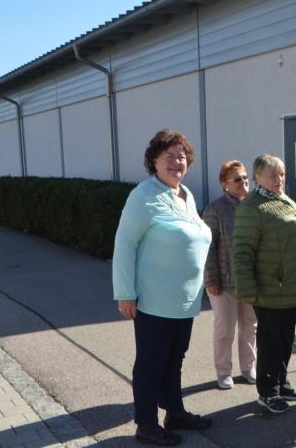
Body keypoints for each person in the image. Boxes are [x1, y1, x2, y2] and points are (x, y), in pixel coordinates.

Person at [112, 129, 212, 446]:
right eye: (168, 156)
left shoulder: (185, 195)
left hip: (184, 300)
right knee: (151, 363)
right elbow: (125, 245)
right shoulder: (143, 196)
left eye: (181, 157)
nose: (176, 162)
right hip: (154, 300)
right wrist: (124, 293)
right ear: (154, 161)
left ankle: (175, 412)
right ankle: (145, 424)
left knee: (175, 360)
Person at [232, 154, 296, 414]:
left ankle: (281, 382)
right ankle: (267, 393)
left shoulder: (281, 199)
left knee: (285, 339)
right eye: (272, 175)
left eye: (281, 174)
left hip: (288, 288)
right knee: (271, 342)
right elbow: (242, 250)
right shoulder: (252, 207)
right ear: (257, 178)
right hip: (269, 290)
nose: (278, 179)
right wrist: (247, 288)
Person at [202, 160, 258, 390]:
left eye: (246, 178)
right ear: (225, 184)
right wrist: (212, 280)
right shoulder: (214, 209)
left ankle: (249, 368)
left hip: (251, 281)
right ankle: (223, 371)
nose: (244, 182)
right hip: (223, 283)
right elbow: (207, 247)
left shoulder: (255, 206)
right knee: (225, 328)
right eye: (238, 179)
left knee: (250, 326)